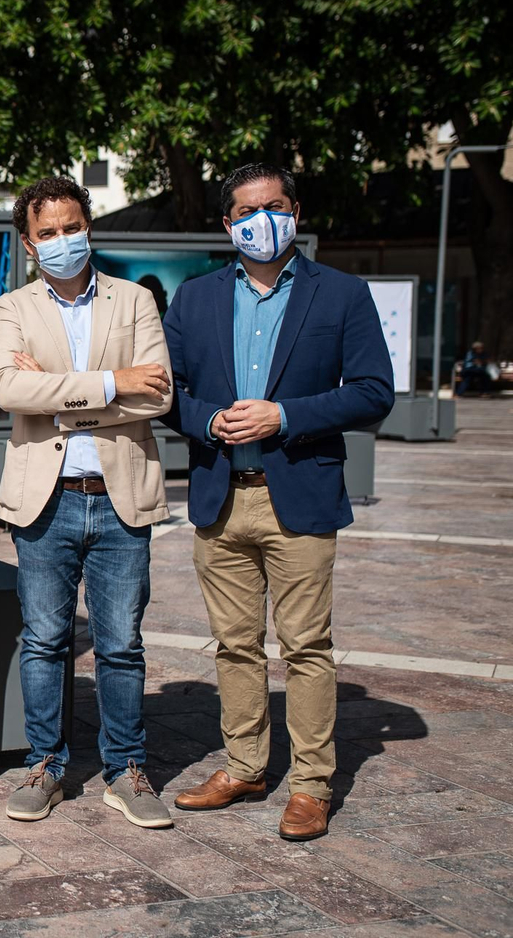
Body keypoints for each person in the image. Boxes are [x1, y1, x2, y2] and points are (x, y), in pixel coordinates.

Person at [163, 163, 394, 841]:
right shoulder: (195, 297)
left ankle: (312, 784)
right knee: (235, 645)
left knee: (305, 647)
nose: (261, 220)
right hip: (220, 496)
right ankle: (244, 766)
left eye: (275, 206)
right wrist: (208, 421)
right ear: (227, 223)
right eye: (245, 212)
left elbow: (374, 391)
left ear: (293, 211)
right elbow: (166, 388)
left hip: (299, 494)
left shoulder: (342, 294)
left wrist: (284, 417)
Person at [0, 177, 176, 830]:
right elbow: (11, 391)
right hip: (46, 502)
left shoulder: (133, 302)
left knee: (121, 644)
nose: (63, 241)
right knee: (44, 641)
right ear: (29, 242)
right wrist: (109, 382)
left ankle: (125, 770)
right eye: (49, 232)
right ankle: (46, 763)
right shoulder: (13, 308)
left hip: (122, 499)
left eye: (73, 227)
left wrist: (57, 391)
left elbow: (159, 396)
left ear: (88, 227)